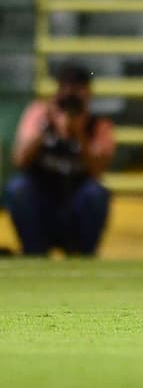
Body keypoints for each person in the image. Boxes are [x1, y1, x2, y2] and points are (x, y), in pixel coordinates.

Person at [4, 64, 115, 256]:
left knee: (97, 194)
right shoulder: (39, 115)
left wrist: (78, 134)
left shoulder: (99, 126)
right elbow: (19, 160)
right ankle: (34, 251)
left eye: (78, 90)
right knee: (17, 187)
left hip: (75, 206)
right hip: (42, 203)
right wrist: (47, 125)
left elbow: (97, 171)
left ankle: (84, 254)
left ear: (88, 94)